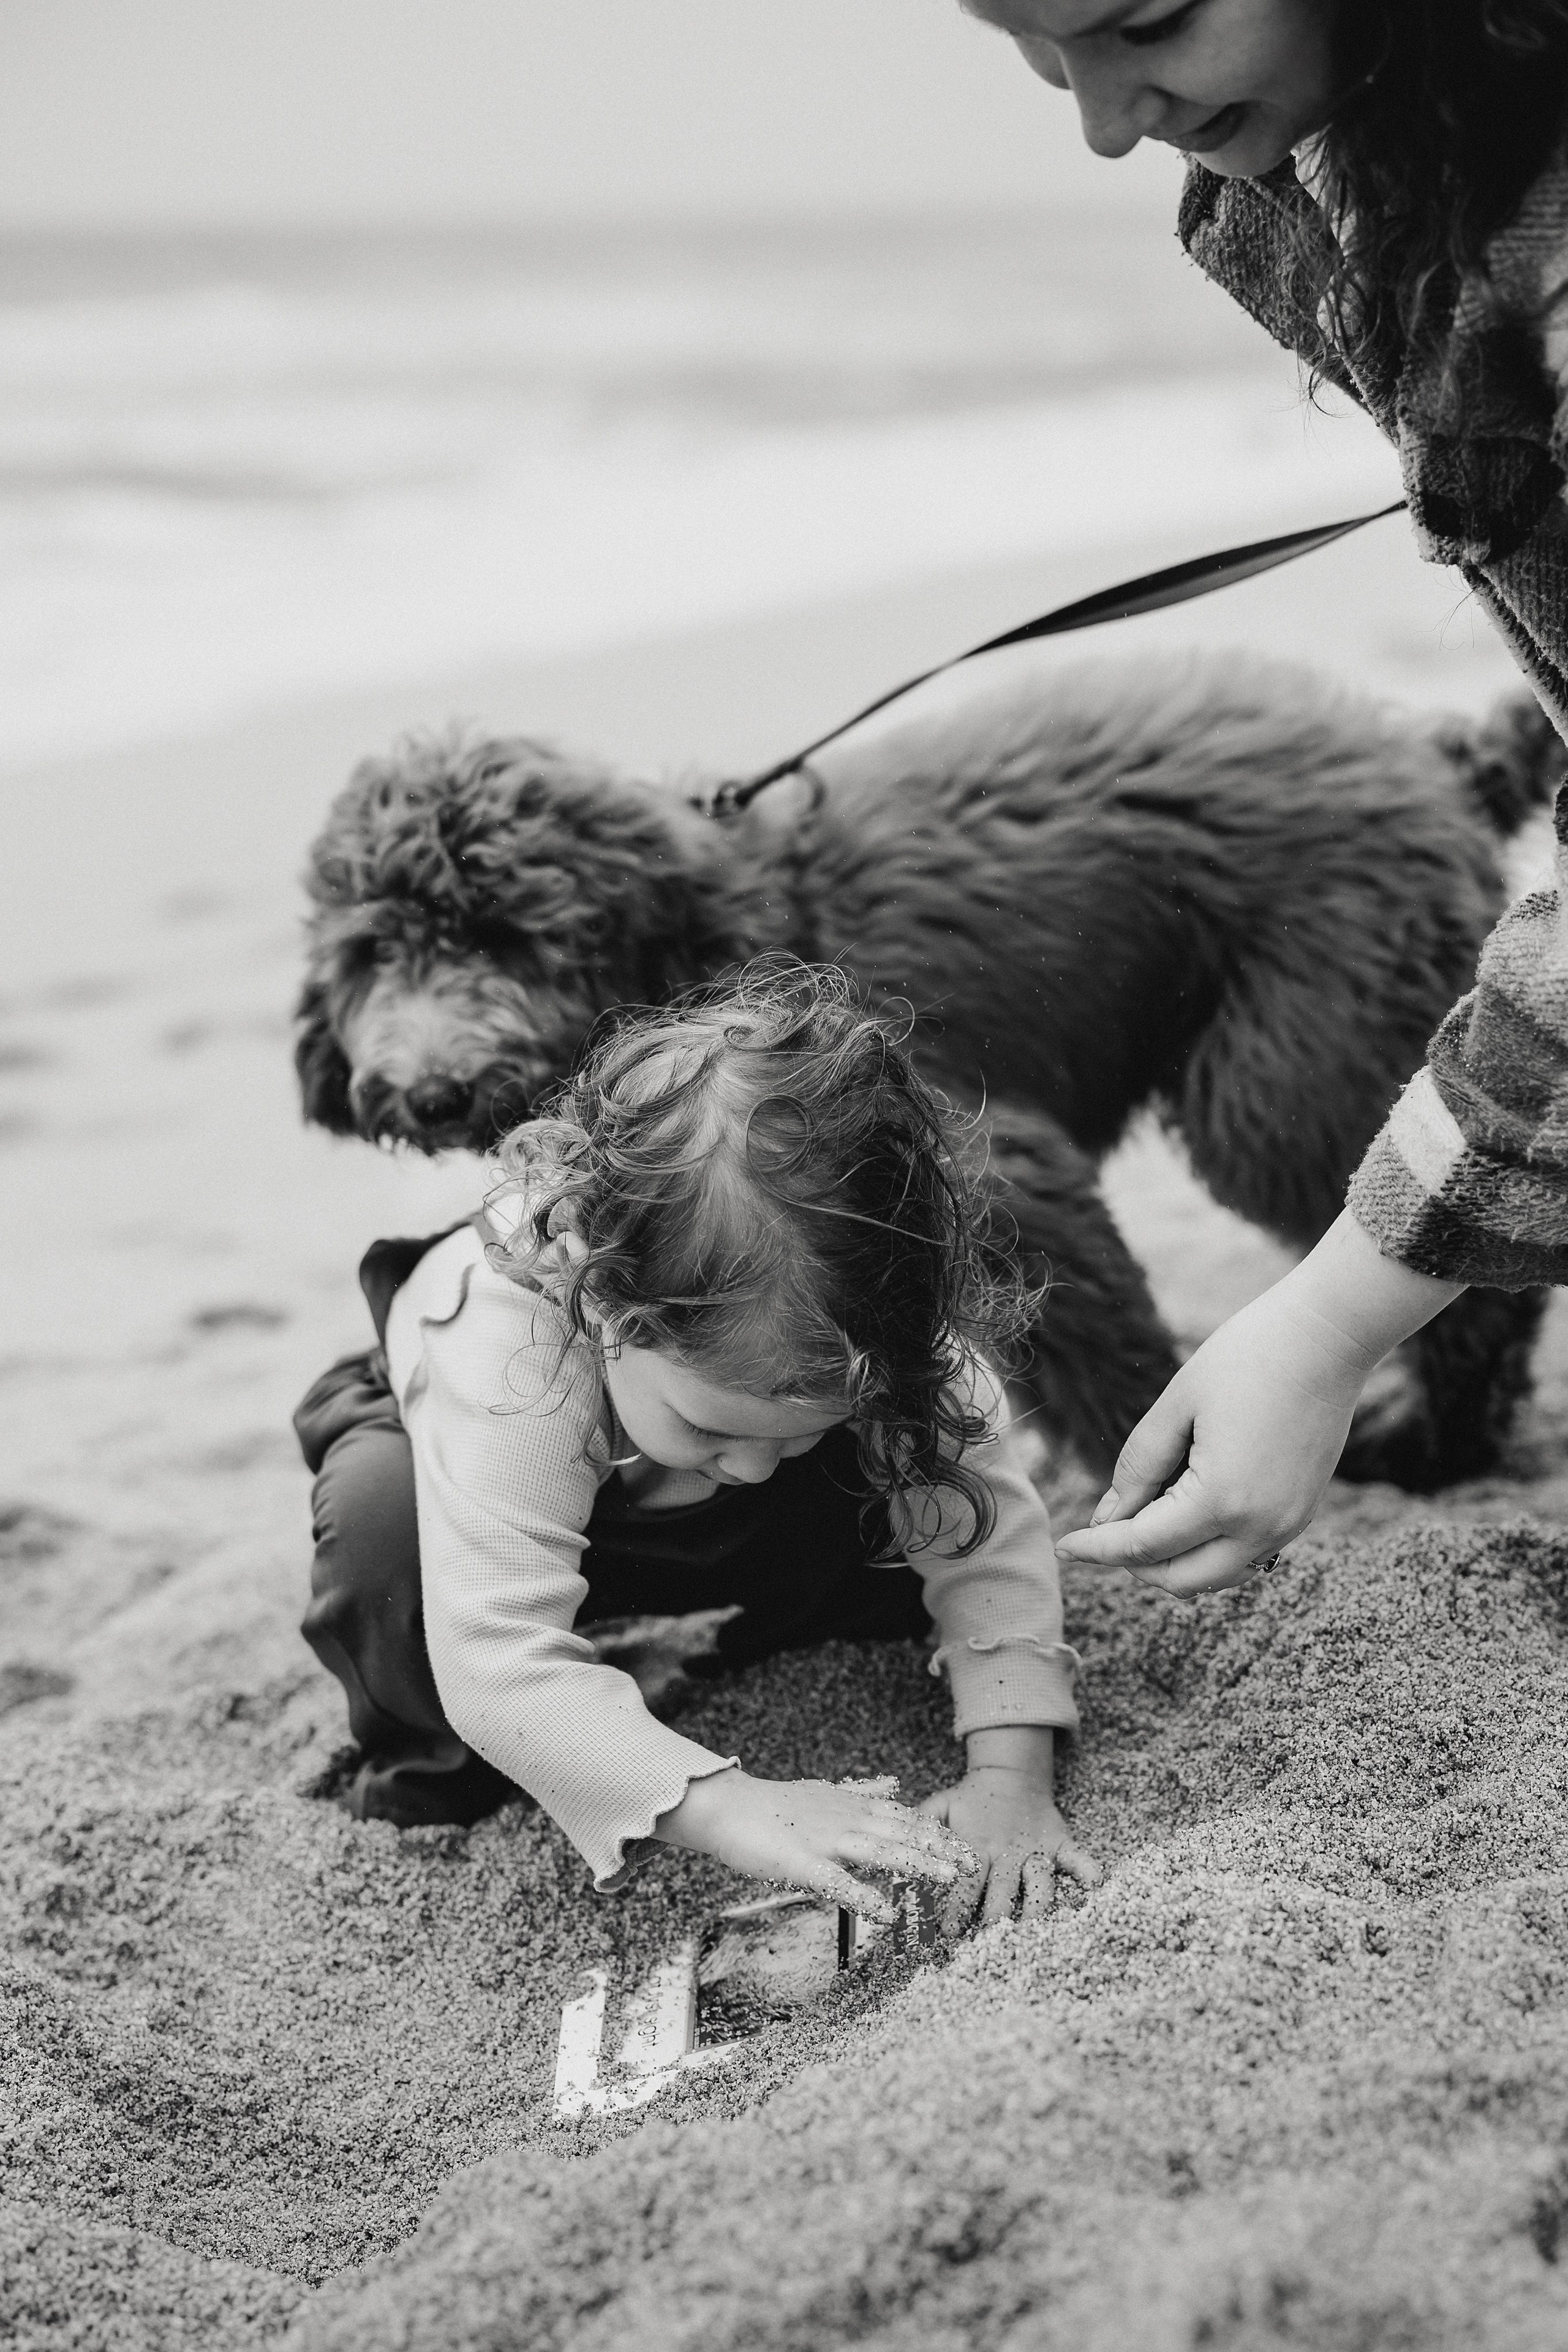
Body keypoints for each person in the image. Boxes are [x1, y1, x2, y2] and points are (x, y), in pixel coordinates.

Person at [952, 0, 1568, 1589]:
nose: (1103, 123)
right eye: (1038, 55)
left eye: (1144, 22)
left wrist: (1331, 1318)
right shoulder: (1358, 165)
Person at [295, 962, 1100, 1926]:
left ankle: (794, 1604)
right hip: (481, 1483)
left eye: (803, 1429)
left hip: (708, 1498)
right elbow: (496, 1655)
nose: (753, 1466)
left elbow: (986, 1535)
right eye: (714, 1426)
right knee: (382, 1535)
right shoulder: (511, 1356)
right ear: (608, 1303)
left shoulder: (868, 1327)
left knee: (912, 1479)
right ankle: (431, 1774)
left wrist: (1011, 1775)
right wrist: (725, 1806)